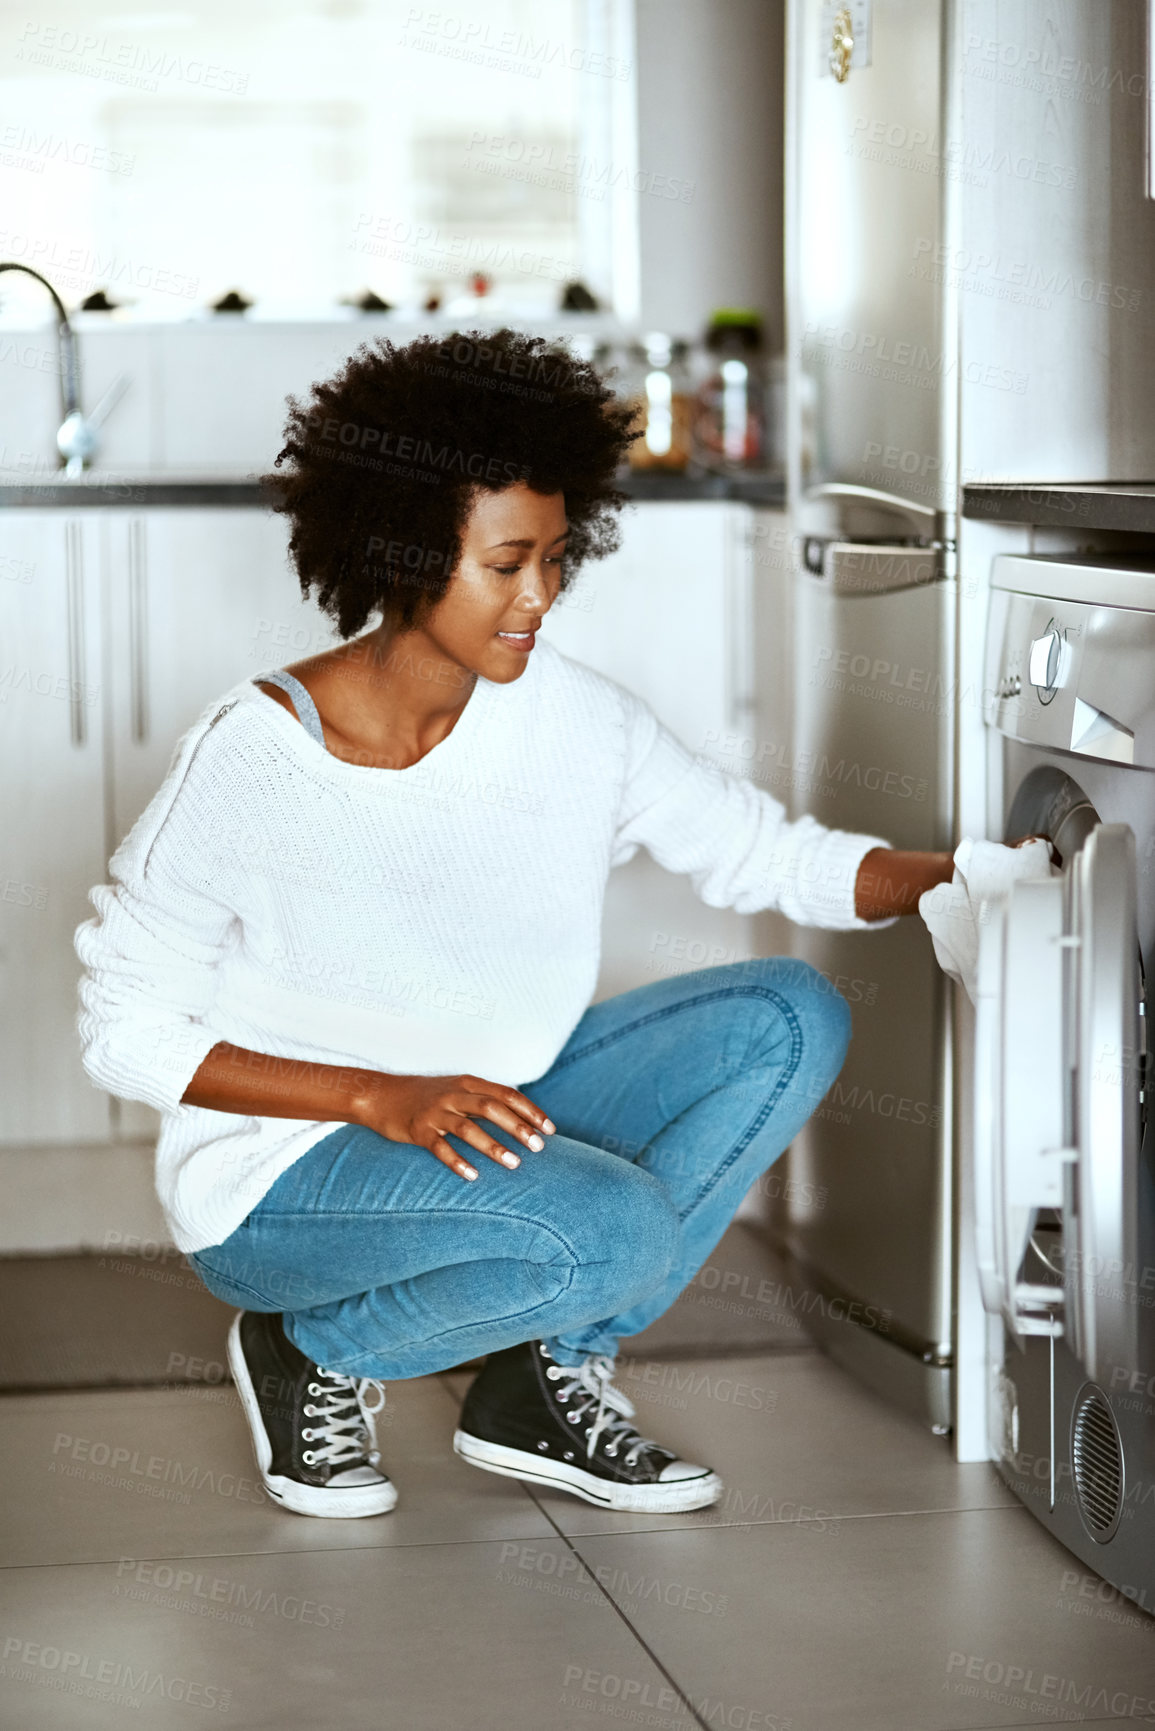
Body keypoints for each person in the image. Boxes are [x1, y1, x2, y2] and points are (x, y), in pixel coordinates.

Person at [74, 328, 954, 1522]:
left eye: (553, 557)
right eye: (505, 565)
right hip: (282, 1182)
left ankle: (535, 1380)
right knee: (619, 1230)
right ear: (399, 553)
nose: (539, 596)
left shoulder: (575, 723)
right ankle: (310, 1348)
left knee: (786, 1017)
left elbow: (768, 856)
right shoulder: (255, 758)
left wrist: (970, 871)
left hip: (487, 1109)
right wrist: (377, 1097)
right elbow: (121, 1032)